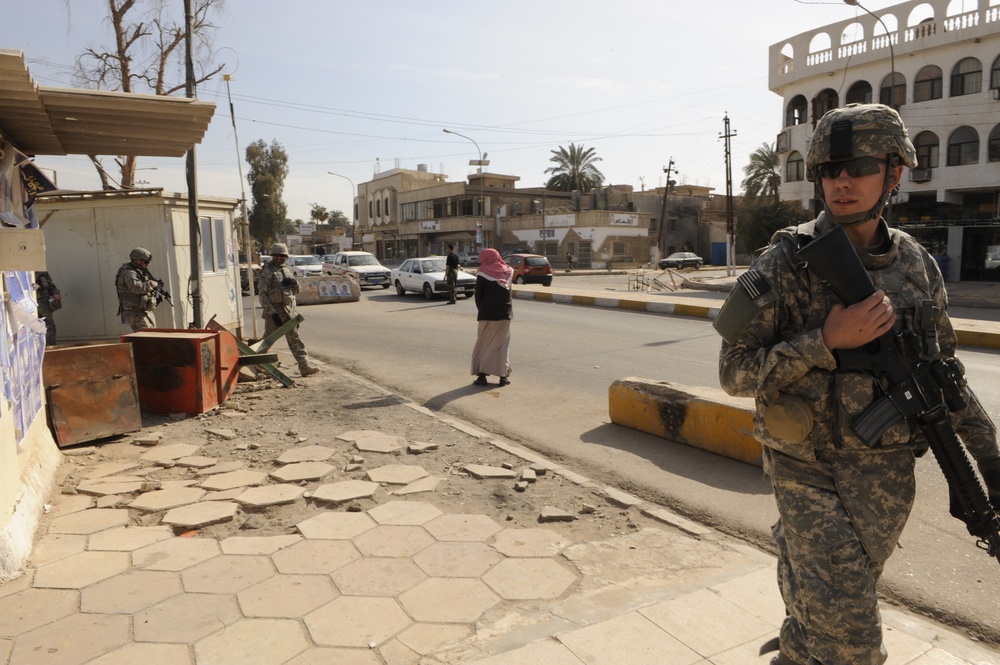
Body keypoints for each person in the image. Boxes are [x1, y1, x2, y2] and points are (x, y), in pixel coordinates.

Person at [716, 104, 1000, 665]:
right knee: (854, 642)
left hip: (887, 476)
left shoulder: (917, 264)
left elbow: (947, 377)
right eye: (829, 169)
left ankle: (797, 650)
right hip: (806, 470)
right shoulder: (784, 261)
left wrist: (993, 467)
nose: (841, 181)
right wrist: (825, 339)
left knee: (833, 607)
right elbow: (733, 371)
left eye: (860, 166)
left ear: (894, 174)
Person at [258, 243, 319, 377]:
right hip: (275, 314)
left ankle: (305, 366)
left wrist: (294, 283)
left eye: (282, 256)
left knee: (295, 339)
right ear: (273, 256)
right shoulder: (267, 272)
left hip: (288, 313)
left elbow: (295, 291)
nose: (279, 258)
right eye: (277, 256)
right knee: (267, 340)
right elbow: (262, 296)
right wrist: (272, 313)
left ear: (285, 257)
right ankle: (255, 363)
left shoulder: (286, 270)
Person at [471, 248, 513, 387]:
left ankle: (482, 376)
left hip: (487, 314)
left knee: (483, 344)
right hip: (505, 314)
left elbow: (478, 295)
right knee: (502, 345)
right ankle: (503, 377)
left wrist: (482, 309)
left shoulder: (482, 272)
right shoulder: (508, 271)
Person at [116, 247, 163, 332]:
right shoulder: (129, 273)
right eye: (146, 262)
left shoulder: (139, 271)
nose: (148, 264)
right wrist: (152, 284)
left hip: (143, 309)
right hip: (134, 311)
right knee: (146, 336)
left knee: (153, 334)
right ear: (137, 260)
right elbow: (136, 288)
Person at [34, 271, 61, 346]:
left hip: (44, 305)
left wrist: (55, 293)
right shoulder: (25, 272)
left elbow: (50, 285)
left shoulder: (42, 271)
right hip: (31, 306)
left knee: (49, 326)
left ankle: (50, 344)